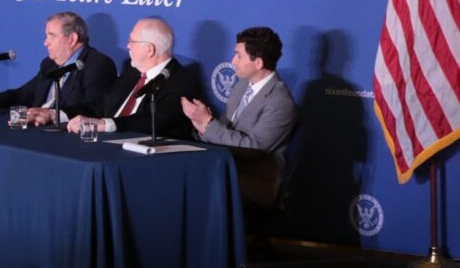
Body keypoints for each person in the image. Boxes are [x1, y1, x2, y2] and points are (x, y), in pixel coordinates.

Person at [181, 26, 297, 208]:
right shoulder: (242, 86)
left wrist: (208, 124)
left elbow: (253, 149)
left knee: (197, 185)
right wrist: (201, 126)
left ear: (258, 63)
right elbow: (222, 130)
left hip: (256, 183)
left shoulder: (280, 102)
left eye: (238, 56)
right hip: (225, 168)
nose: (233, 61)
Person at [0, 11, 116, 125]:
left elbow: (95, 108)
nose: (45, 42)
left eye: (51, 36)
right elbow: (24, 93)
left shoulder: (97, 64)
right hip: (34, 127)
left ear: (72, 39)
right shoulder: (49, 63)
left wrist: (53, 115)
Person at [67, 17, 196, 139]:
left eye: (132, 41)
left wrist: (104, 124)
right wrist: (57, 114)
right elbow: (104, 103)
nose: (128, 46)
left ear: (149, 49)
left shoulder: (181, 81)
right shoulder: (132, 72)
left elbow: (152, 120)